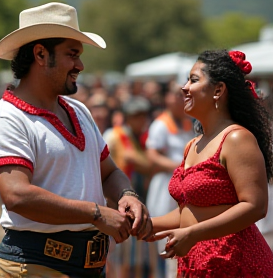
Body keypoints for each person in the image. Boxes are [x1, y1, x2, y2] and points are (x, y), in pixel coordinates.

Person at [0, 2, 151, 278]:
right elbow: (17, 195)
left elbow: (109, 172)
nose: (80, 65)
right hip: (34, 267)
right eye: (72, 54)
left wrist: (127, 195)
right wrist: (96, 213)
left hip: (88, 267)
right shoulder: (7, 118)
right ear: (40, 54)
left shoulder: (78, 111)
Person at [146, 49, 273, 277]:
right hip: (196, 262)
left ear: (218, 90)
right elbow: (189, 211)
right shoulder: (192, 145)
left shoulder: (236, 138)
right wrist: (148, 224)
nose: (184, 87)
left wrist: (193, 234)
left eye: (193, 80)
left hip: (234, 261)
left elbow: (255, 206)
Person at [145, 82, 195, 278]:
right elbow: (152, 155)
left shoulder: (189, 122)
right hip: (166, 186)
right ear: (166, 98)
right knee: (166, 237)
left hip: (186, 185)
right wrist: (179, 167)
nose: (180, 99)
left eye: (183, 94)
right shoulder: (160, 124)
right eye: (175, 95)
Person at [103, 96, 153, 278]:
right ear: (128, 117)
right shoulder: (114, 135)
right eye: (137, 116)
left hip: (136, 199)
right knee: (115, 256)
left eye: (143, 116)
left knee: (132, 257)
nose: (142, 120)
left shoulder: (140, 137)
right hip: (115, 202)